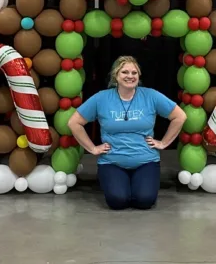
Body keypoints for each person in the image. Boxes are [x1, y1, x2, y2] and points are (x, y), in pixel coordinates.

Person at [67, 56, 187, 210]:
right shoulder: (101, 98)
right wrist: (92, 148)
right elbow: (74, 122)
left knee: (145, 201)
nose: (130, 76)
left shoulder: (150, 95)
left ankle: (136, 183)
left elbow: (179, 116)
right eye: (124, 72)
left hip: (146, 161)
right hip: (112, 161)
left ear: (139, 76)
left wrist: (163, 143)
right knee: (117, 201)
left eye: (134, 73)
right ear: (116, 76)